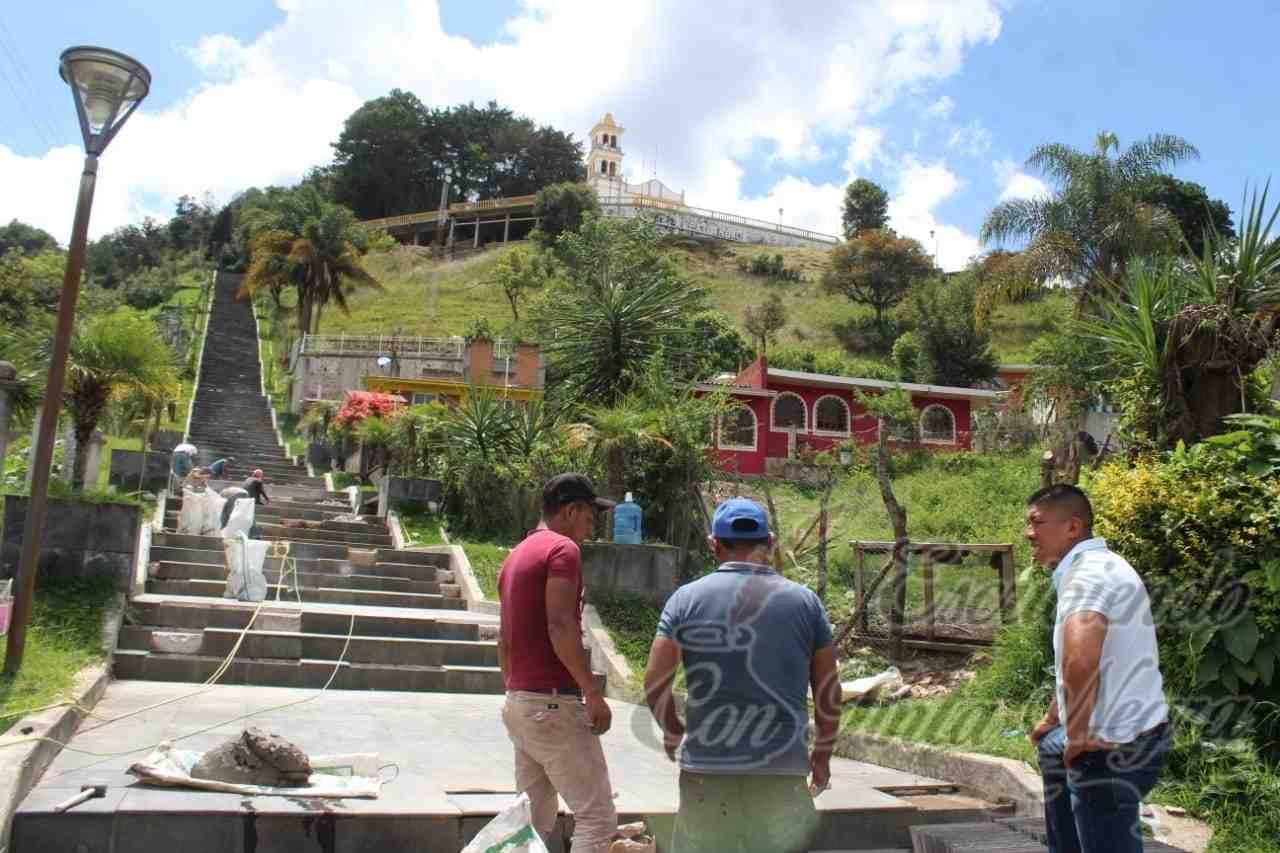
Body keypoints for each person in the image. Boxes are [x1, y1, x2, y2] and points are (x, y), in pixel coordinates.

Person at [643, 497, 841, 853]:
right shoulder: (805, 602)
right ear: (771, 543)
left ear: (713, 544)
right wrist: (822, 754)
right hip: (781, 775)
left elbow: (655, 680)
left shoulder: (685, 600)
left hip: (707, 772)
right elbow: (828, 688)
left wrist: (673, 729)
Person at [1025, 484, 1170, 853]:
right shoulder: (1096, 567)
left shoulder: (1088, 576)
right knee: (1051, 748)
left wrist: (1079, 734)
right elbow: (1083, 663)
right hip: (1131, 733)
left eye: (1037, 523)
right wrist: (1054, 718)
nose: (1029, 533)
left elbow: (1081, 658)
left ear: (1073, 528)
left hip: (1110, 745)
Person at [497, 473, 618, 853]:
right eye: (589, 515)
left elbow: (503, 638)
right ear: (571, 510)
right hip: (553, 706)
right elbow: (561, 623)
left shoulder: (515, 556)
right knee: (597, 818)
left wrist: (517, 692)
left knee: (531, 822)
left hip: (521, 703)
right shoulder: (562, 550)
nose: (591, 524)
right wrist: (591, 691)